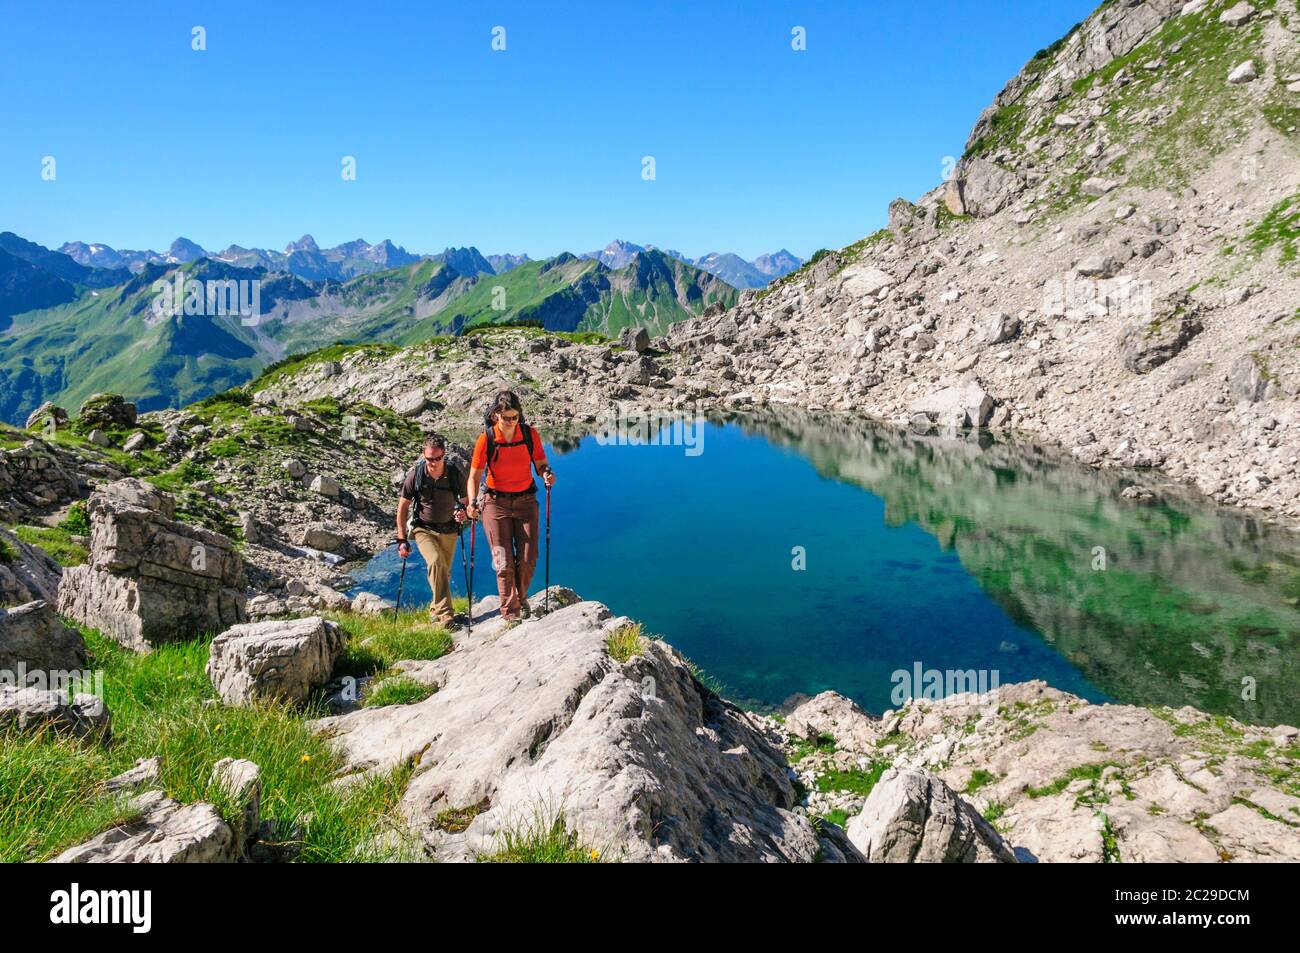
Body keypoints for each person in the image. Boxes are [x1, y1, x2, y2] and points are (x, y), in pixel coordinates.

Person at [466, 390, 556, 624]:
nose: (510, 422)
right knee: (503, 561)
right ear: (496, 414)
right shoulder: (486, 439)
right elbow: (474, 476)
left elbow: (541, 463)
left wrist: (547, 474)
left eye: (515, 417)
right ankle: (511, 613)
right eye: (506, 417)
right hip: (495, 503)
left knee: (528, 558)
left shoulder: (529, 434)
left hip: (526, 501)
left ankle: (521, 596)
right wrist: (472, 502)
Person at [396, 434, 468, 628]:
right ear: (423, 455)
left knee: (444, 572)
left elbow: (465, 500)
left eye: (437, 458)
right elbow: (402, 507)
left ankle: (434, 608)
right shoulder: (416, 474)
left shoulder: (454, 473)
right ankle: (446, 614)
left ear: (443, 455)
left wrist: (462, 512)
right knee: (436, 563)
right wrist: (402, 540)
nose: (433, 463)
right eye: (429, 459)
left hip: (449, 530)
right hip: (423, 529)